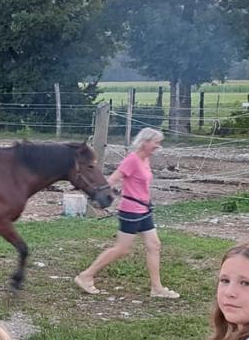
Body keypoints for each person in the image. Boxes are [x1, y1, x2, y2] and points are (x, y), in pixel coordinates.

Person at [73, 127, 178, 299]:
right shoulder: (132, 160)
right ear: (145, 142)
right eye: (156, 142)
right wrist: (98, 196)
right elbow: (113, 179)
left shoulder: (146, 159)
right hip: (131, 211)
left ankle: (157, 288)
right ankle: (86, 275)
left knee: (154, 245)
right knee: (122, 249)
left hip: (144, 209)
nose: (158, 146)